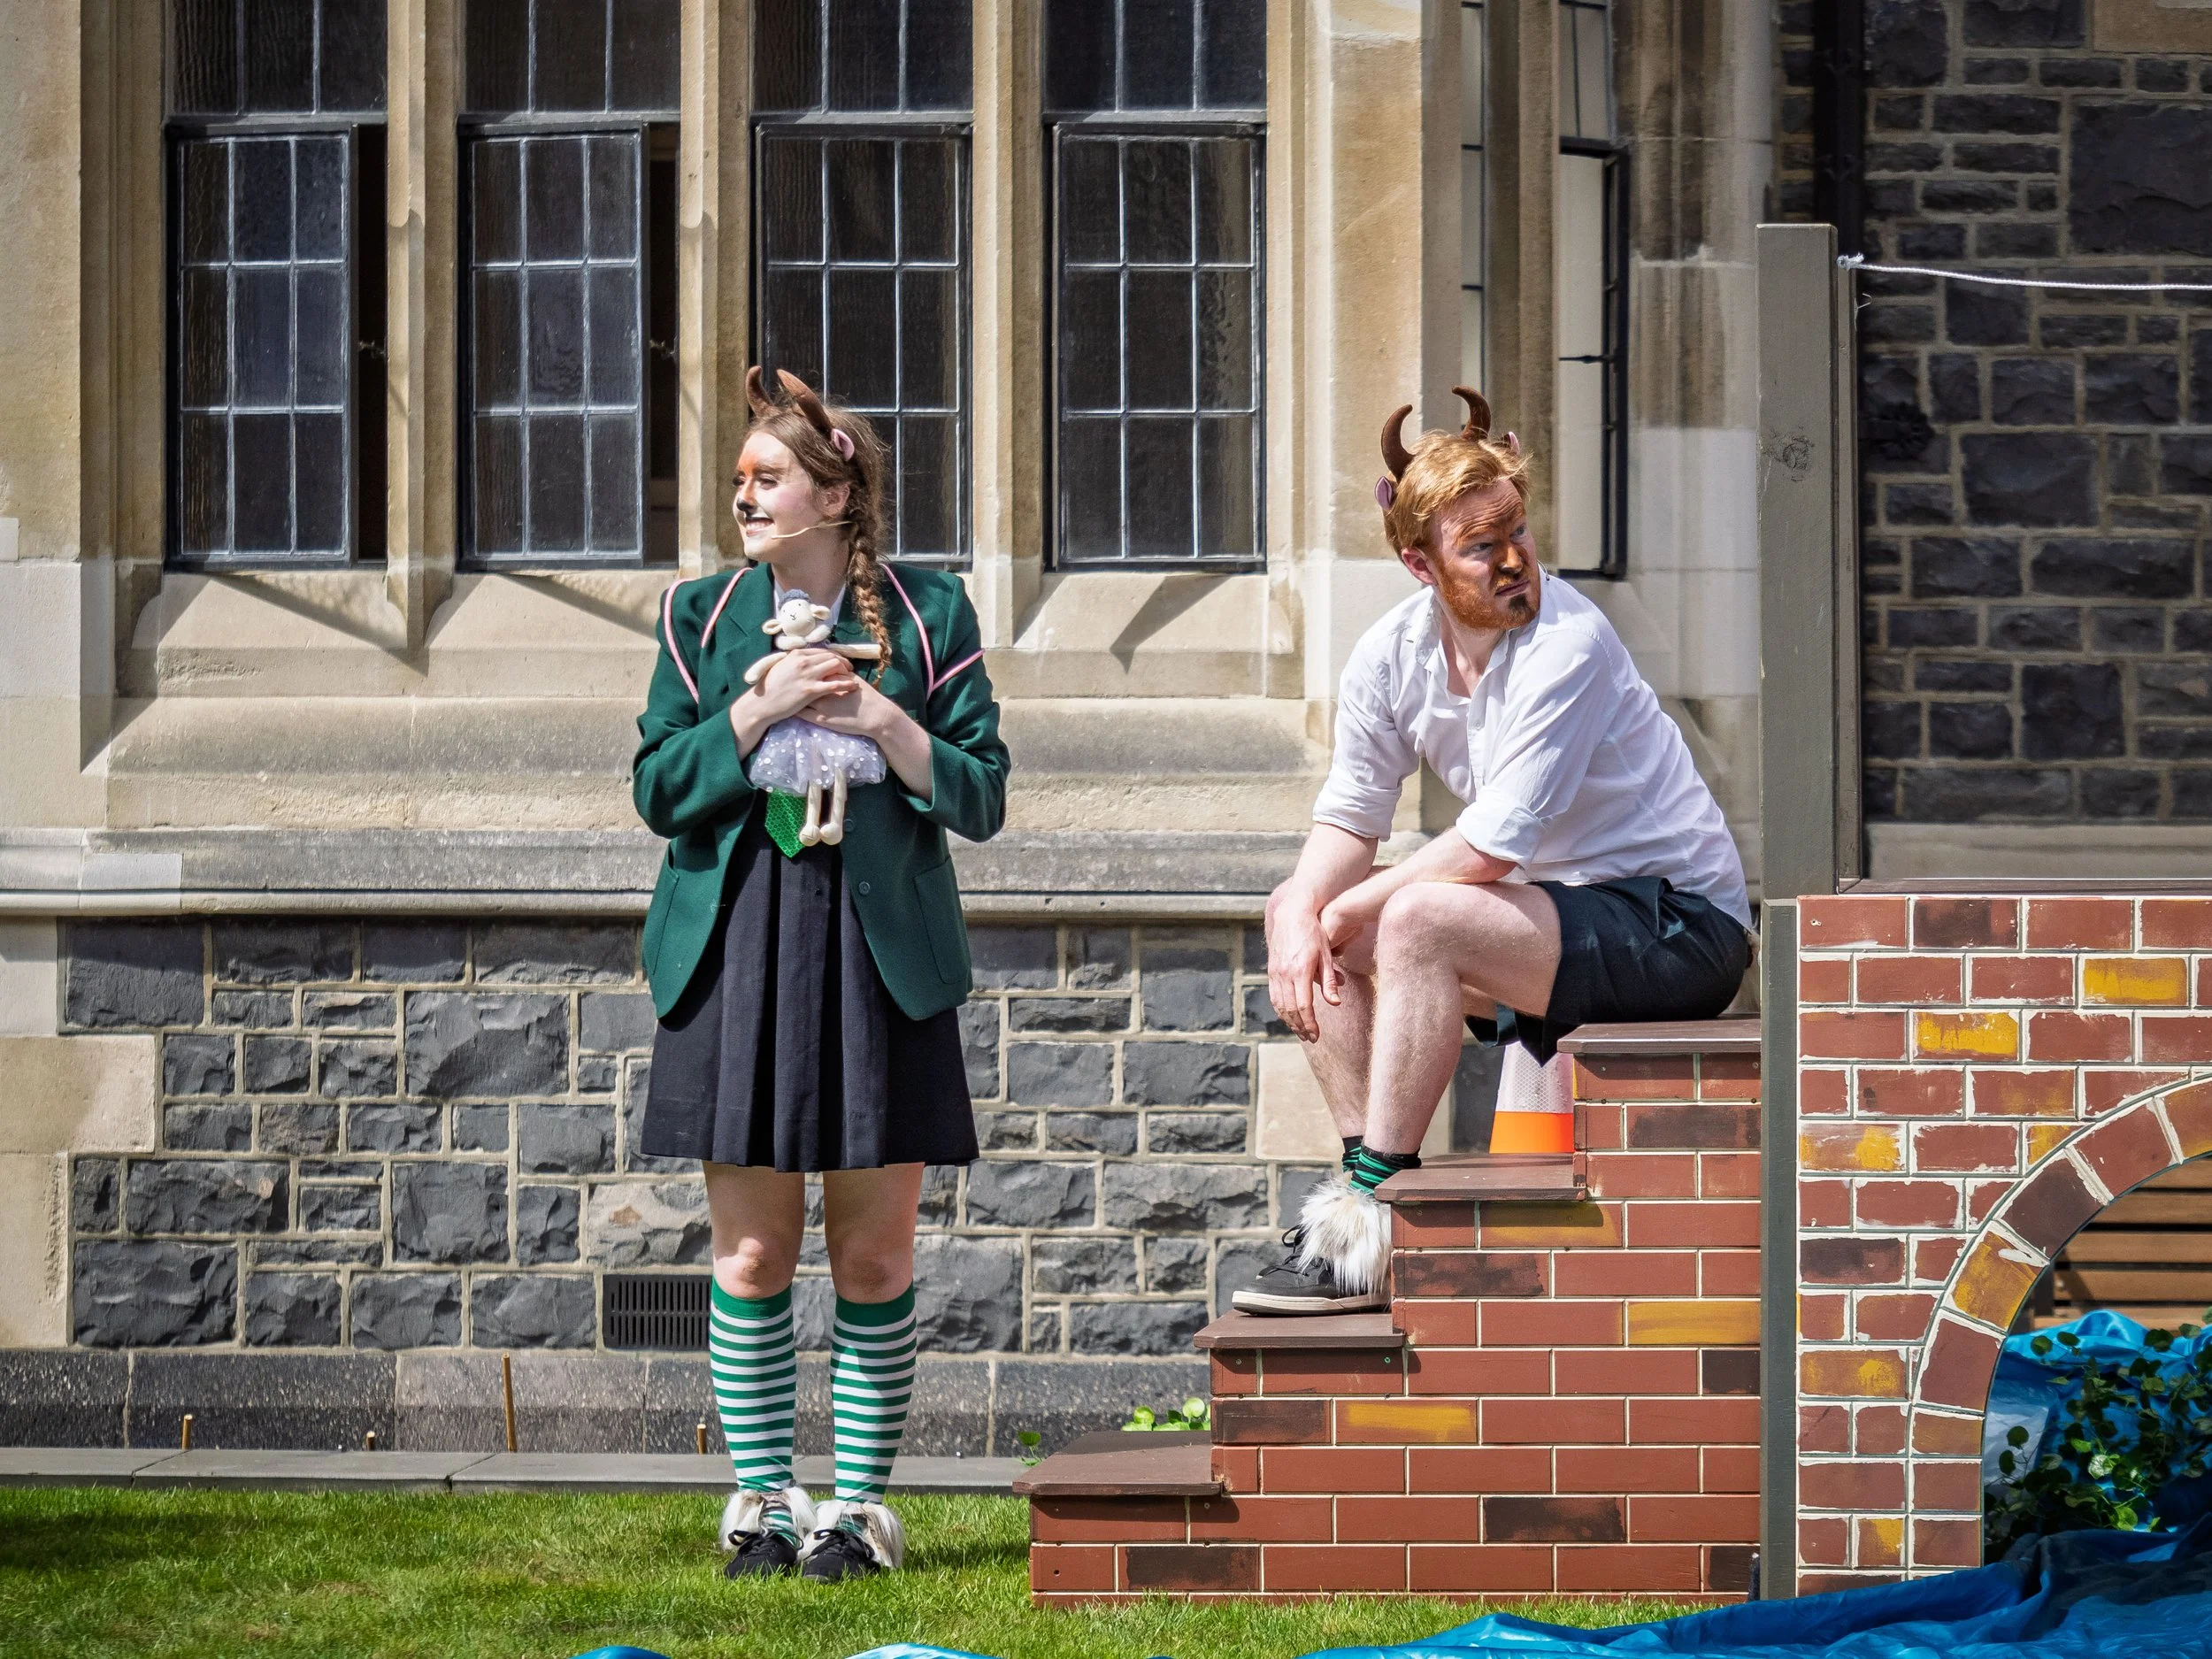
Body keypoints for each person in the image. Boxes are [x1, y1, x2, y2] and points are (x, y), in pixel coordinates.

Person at [1231, 388, 1751, 1317]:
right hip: (1553, 918)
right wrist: (1299, 909)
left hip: (1681, 926)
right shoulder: (1390, 656)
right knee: (1322, 926)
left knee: (1415, 917)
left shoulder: (1570, 643)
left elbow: (1490, 844)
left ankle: (1367, 1203)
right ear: (1418, 566)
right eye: (1480, 546)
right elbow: (1351, 813)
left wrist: (1351, 908)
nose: (1513, 560)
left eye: (1516, 529)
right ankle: (1366, 1202)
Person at [632, 368, 1009, 1578]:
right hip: (741, 937)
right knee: (750, 1253)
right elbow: (657, 790)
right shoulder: (699, 617)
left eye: (769, 474)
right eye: (740, 475)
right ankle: (757, 1502)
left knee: (873, 1255)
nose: (744, 491)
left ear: (838, 490)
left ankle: (855, 1511)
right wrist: (756, 715)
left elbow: (984, 790)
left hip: (874, 947)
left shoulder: (930, 611)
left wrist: (881, 725)